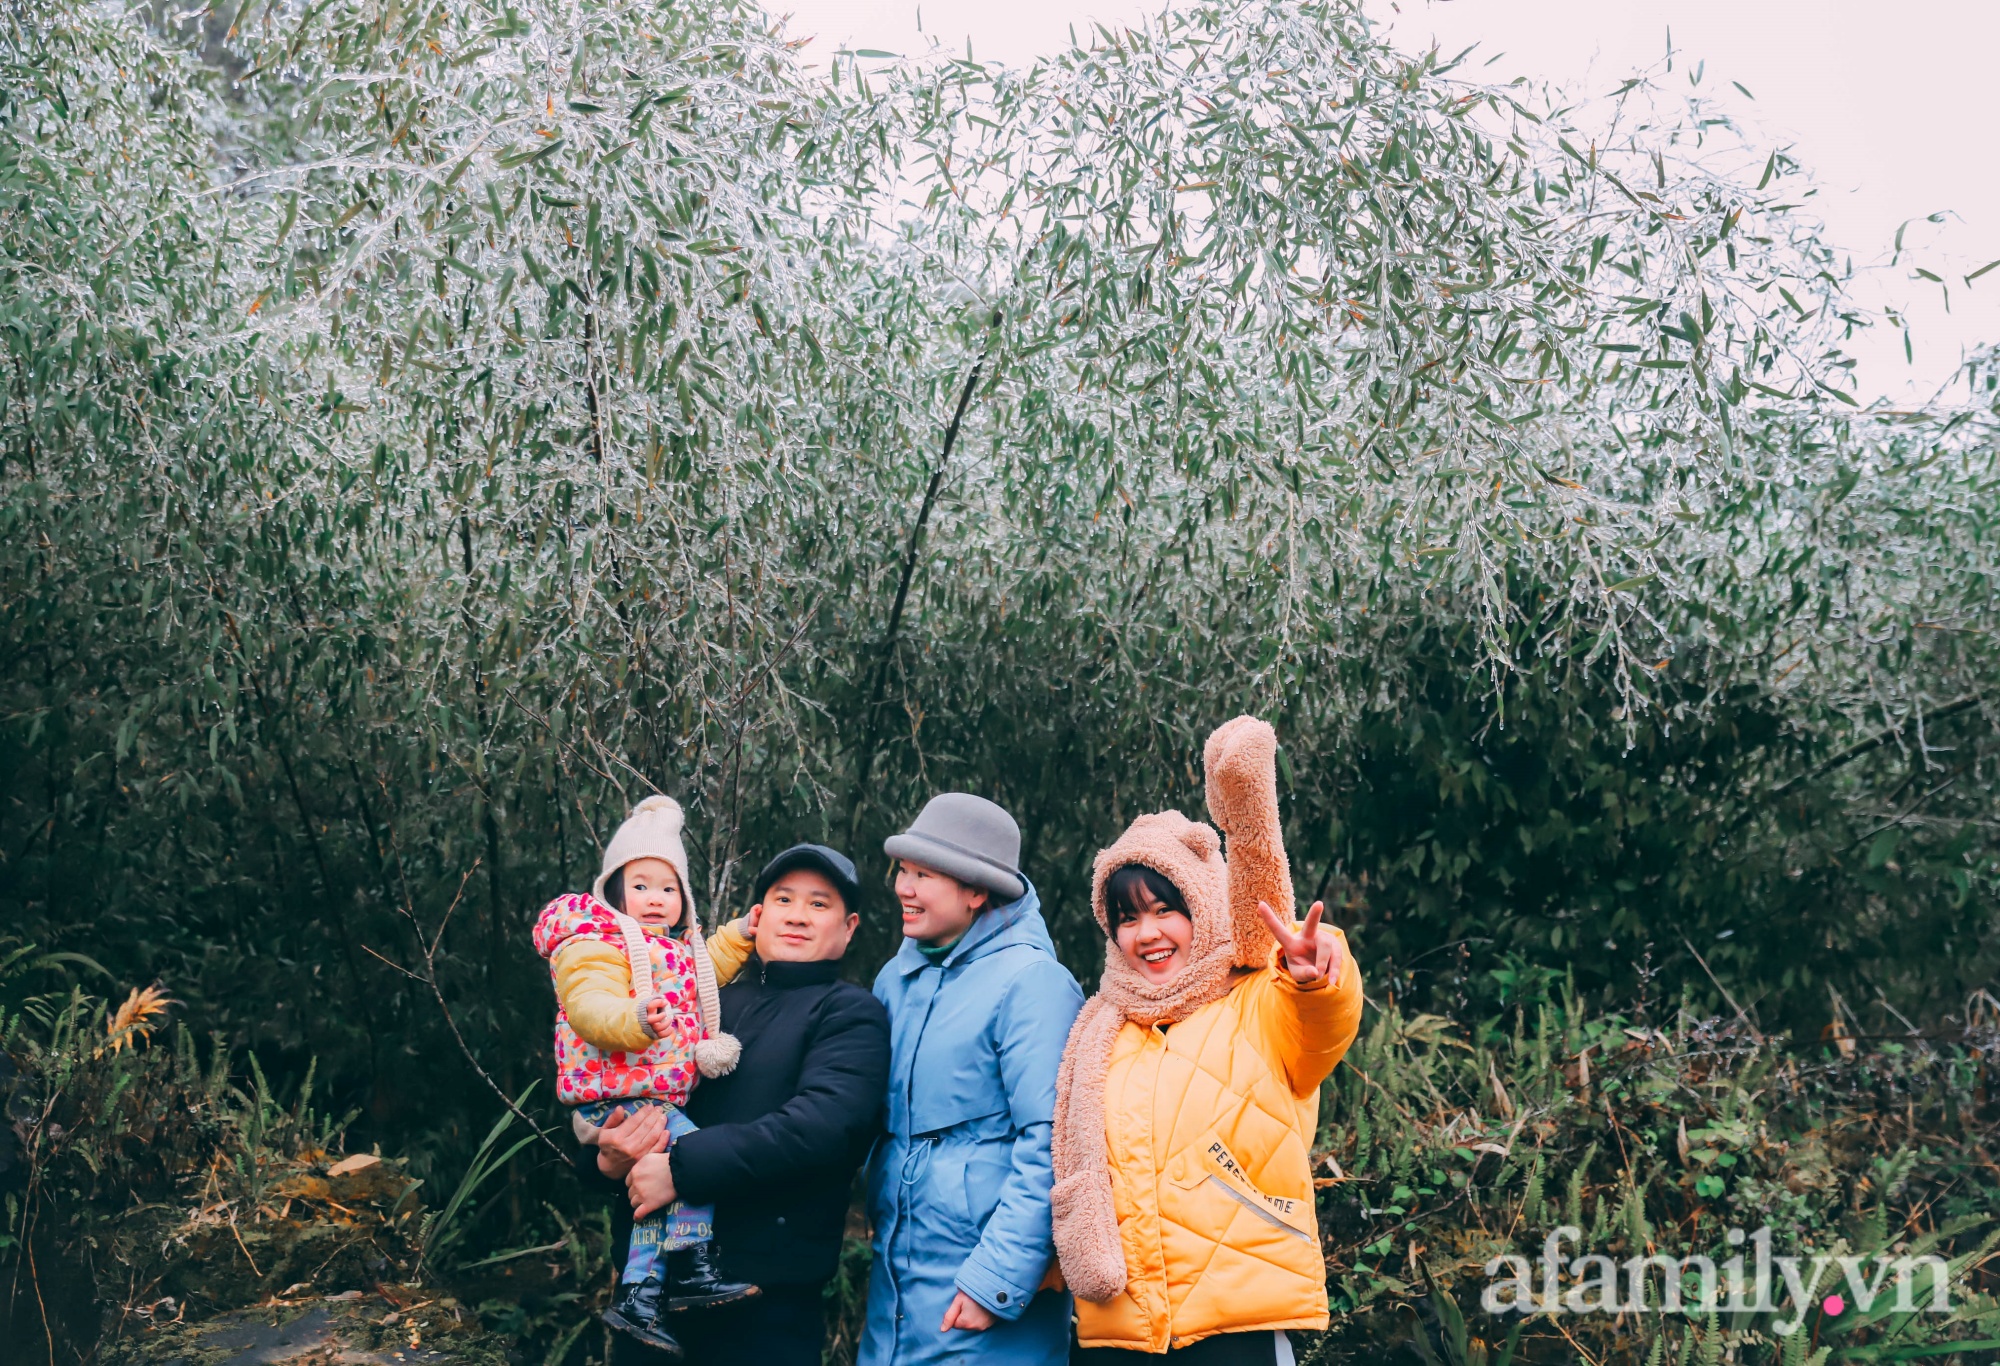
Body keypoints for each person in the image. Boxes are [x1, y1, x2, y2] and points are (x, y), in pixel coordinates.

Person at [1050, 717, 1364, 1363]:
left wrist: (1315, 973)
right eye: (1128, 916)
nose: (1147, 932)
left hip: (1237, 1327)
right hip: (1119, 1327)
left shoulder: (1259, 1000)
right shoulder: (1102, 1030)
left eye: (1166, 908)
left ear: (1205, 905)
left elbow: (1323, 1023)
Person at [605, 843, 891, 1366]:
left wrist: (682, 1169)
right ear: (758, 916)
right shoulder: (703, 1002)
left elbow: (820, 1128)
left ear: (848, 928)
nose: (798, 916)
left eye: (819, 904)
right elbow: (626, 1087)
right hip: (648, 1303)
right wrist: (605, 1155)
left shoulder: (850, 1013)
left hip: (764, 1304)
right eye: (783, 899)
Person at [862, 794, 1085, 1366]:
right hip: (895, 1293)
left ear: (976, 891)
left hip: (984, 1294)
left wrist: (997, 1281)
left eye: (924, 875)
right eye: (903, 871)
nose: (903, 889)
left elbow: (1054, 1145)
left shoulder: (1033, 983)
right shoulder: (896, 978)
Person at [532, 795, 757, 1355]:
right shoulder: (593, 943)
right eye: (641, 885)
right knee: (692, 1159)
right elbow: (589, 1006)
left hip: (647, 1097)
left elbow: (709, 963)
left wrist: (743, 932)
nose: (656, 899)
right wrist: (636, 1019)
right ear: (614, 892)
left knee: (660, 1189)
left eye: (668, 887)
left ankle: (639, 1295)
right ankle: (692, 1263)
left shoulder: (671, 951)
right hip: (612, 1097)